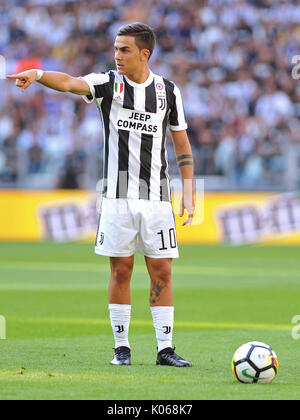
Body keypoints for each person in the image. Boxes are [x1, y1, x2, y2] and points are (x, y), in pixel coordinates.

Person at [7, 22, 195, 367]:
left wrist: (190, 192)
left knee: (162, 272)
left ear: (144, 53)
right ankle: (121, 347)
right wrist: (37, 73)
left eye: (124, 49)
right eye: (115, 48)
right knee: (121, 270)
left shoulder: (169, 91)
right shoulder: (108, 83)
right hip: (117, 197)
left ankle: (165, 349)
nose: (117, 55)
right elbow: (69, 83)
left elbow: (181, 142)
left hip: (156, 198)